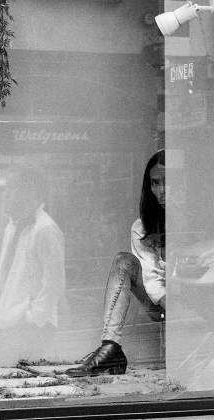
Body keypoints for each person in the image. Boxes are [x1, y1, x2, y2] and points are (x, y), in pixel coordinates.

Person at [67, 150, 168, 377]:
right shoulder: (142, 228)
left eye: (167, 182)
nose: (161, 191)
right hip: (163, 303)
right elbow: (152, 279)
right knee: (123, 261)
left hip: (198, 298)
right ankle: (111, 347)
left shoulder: (195, 219)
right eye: (155, 183)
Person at [0, 165, 66, 365]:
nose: (4, 194)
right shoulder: (12, 226)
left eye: (11, 188)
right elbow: (5, 274)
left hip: (30, 328)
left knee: (30, 387)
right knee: (8, 384)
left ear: (29, 191)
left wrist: (33, 317)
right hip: (9, 324)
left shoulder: (45, 229)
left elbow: (55, 283)